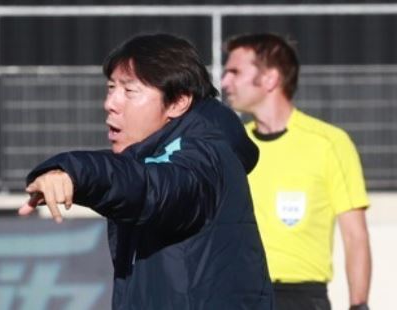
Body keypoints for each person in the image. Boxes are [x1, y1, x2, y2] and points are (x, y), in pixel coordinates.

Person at [19, 33, 273, 309]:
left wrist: (79, 174)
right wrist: (67, 171)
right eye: (110, 88)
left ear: (177, 102)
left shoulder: (204, 157)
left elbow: (154, 188)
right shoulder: (154, 155)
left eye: (129, 91)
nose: (111, 103)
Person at [221, 33, 372, 310]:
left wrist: (358, 305)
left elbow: (355, 236)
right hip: (238, 294)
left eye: (234, 71)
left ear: (270, 78)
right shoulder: (231, 145)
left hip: (301, 298)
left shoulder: (329, 143)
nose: (224, 82)